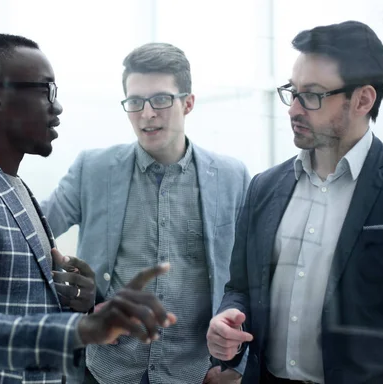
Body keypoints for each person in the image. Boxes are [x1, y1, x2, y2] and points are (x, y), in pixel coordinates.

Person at [0, 33, 176, 384]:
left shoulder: (17, 188)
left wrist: (75, 300)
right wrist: (82, 327)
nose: (57, 106)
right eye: (44, 90)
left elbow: (16, 304)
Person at [207, 20, 383, 384]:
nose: (293, 109)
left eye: (313, 95)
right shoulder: (264, 188)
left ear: (362, 99)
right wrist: (228, 320)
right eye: (292, 91)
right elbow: (240, 286)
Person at [40, 42, 249, 384]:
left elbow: (252, 277)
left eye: (161, 99)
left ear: (188, 103)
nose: (147, 113)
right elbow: (32, 233)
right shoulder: (93, 169)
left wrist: (236, 366)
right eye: (135, 102)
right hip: (105, 371)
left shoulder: (232, 177)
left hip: (195, 374)